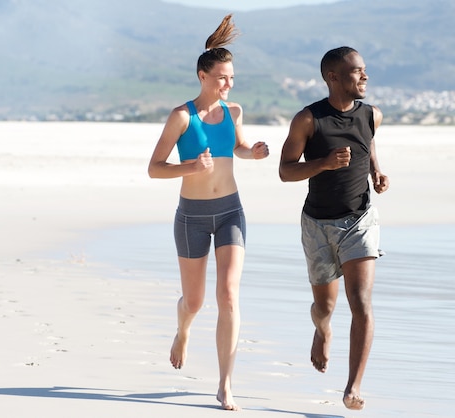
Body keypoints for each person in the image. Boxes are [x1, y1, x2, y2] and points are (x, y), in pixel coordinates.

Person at [147, 14, 269, 411]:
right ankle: (183, 330)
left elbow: (238, 147)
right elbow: (154, 168)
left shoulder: (234, 112)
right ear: (203, 75)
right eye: (221, 77)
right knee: (196, 301)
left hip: (231, 211)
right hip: (192, 217)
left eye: (231, 77)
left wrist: (254, 152)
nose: (228, 84)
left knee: (229, 296)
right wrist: (189, 168)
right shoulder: (181, 116)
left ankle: (225, 384)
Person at [278, 46, 389, 410]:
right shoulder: (308, 120)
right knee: (324, 306)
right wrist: (323, 163)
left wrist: (374, 169)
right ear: (333, 77)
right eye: (357, 71)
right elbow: (285, 171)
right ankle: (322, 330)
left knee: (361, 301)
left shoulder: (373, 114)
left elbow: (367, 140)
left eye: (365, 70)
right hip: (317, 225)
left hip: (359, 219)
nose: (365, 76)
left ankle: (353, 386)